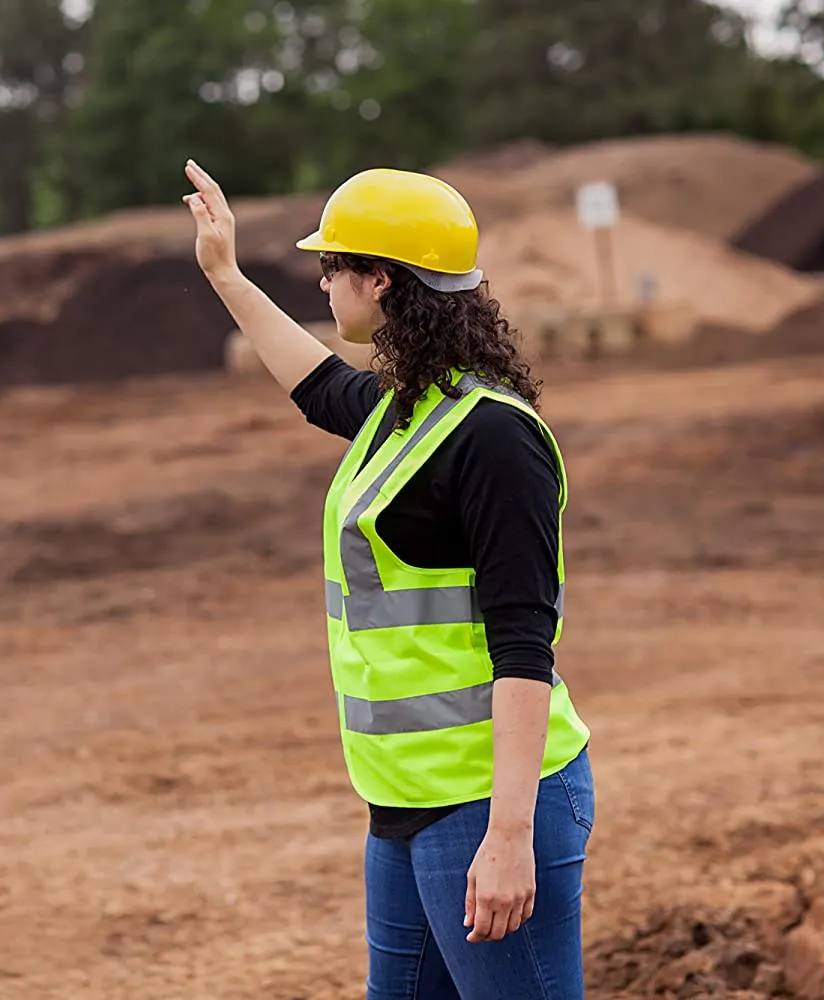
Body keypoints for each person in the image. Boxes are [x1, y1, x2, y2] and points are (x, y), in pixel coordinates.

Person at [182, 159, 596, 1000]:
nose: (324, 284)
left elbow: (525, 646)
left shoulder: (493, 439)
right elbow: (316, 382)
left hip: (487, 806)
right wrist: (225, 275)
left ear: (381, 280)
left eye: (333, 268)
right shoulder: (407, 411)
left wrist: (510, 836)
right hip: (403, 805)